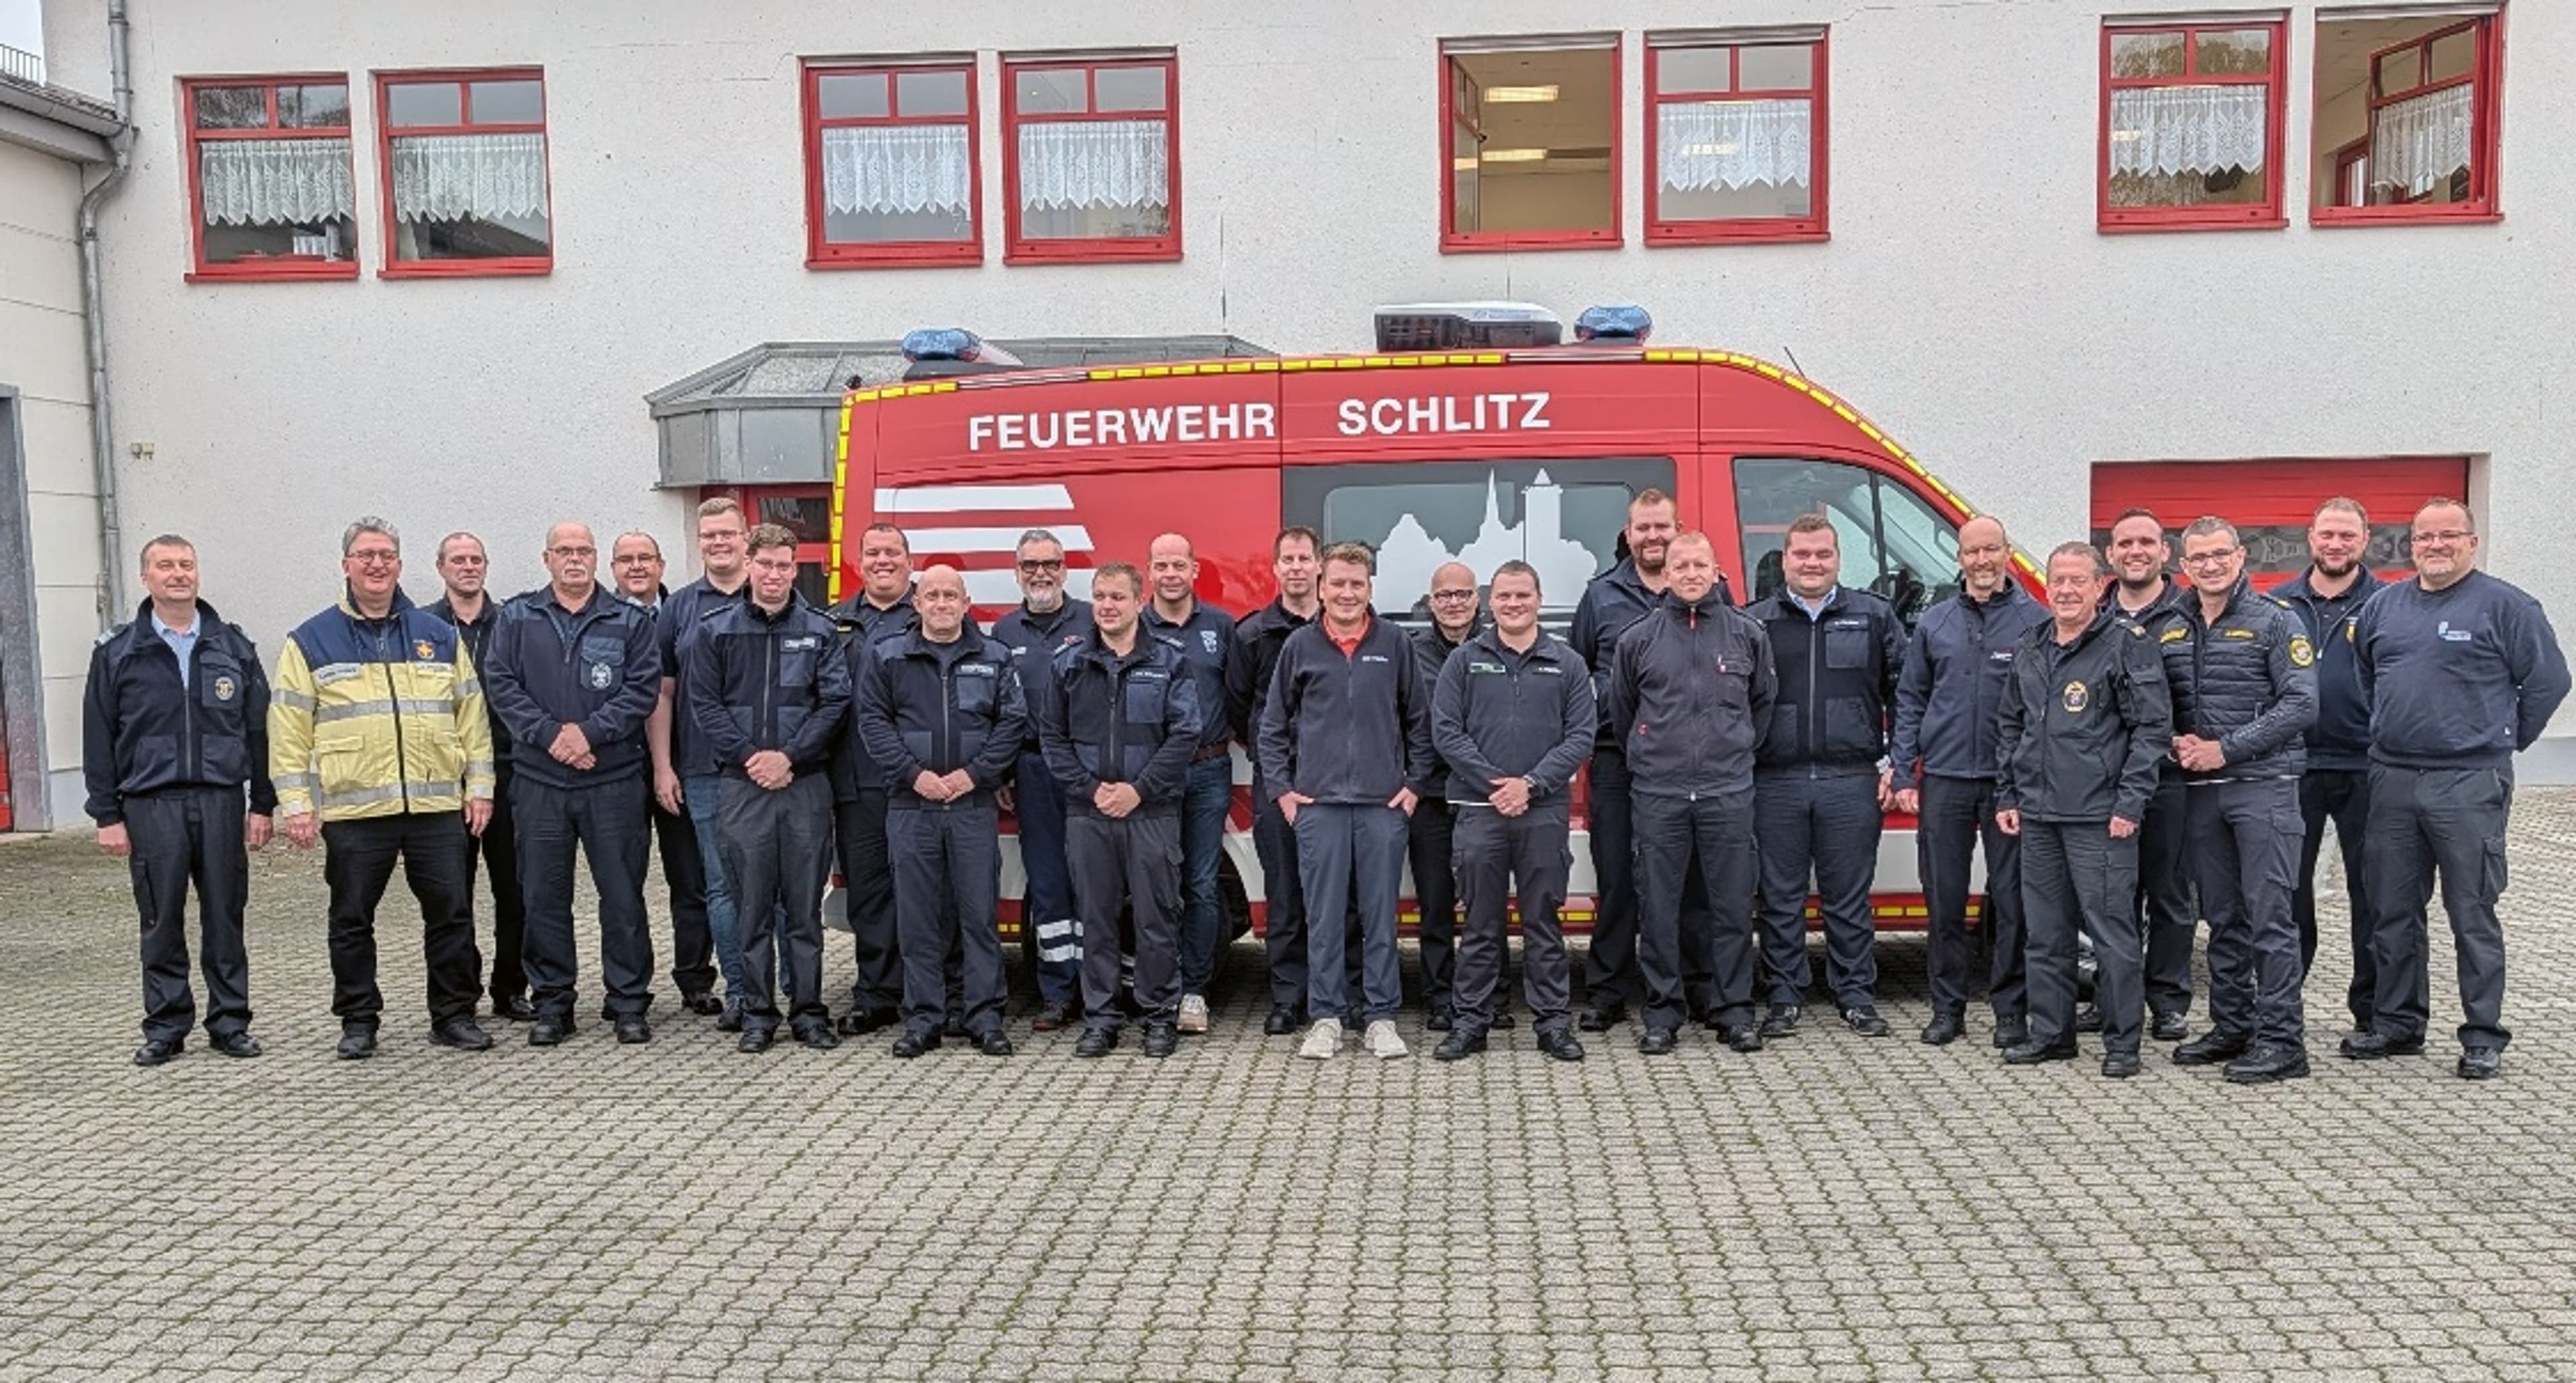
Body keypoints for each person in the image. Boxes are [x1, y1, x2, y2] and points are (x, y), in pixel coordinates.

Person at [2348, 499, 2569, 1080]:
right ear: (2411, 545)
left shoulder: (2509, 607)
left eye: (2449, 535)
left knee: (2471, 912)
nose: (2436, 545)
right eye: (2425, 537)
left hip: (2469, 782)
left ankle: (2482, 1034)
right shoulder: (2383, 607)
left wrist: (2500, 739)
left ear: (2472, 542)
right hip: (2393, 779)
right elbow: (2369, 678)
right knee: (2392, 910)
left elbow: (2549, 682)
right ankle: (2398, 1024)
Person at [270, 516, 494, 1060]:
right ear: (346, 564)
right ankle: (358, 1020)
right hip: (355, 811)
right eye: (366, 555)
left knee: (452, 915)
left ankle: (453, 1015)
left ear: (400, 564)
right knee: (351, 920)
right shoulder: (311, 640)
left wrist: (481, 787)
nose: (377, 565)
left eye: (387, 555)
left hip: (435, 804)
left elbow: (472, 717)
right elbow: (288, 728)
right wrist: (296, 804)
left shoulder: (436, 634)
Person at [85, 535, 276, 1065]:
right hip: (151, 804)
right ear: (145, 577)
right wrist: (106, 814)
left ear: (198, 573)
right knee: (160, 919)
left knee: (225, 917)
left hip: (220, 801)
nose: (178, 574)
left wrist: (263, 803)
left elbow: (259, 731)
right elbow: (98, 735)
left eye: (186, 564)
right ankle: (166, 1027)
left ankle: (230, 1023)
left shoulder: (233, 647)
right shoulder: (118, 652)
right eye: (165, 565)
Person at [482, 522, 664, 1047]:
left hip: (613, 781)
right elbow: (501, 685)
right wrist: (551, 736)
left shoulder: (628, 619)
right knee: (543, 896)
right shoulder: (517, 618)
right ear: (548, 559)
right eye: (564, 550)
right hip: (540, 782)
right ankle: (553, 1002)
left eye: (584, 550)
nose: (575, 558)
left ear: (596, 558)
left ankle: (628, 1002)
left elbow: (641, 689)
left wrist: (588, 734)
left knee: (622, 896)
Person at [1993, 542, 2171, 1078]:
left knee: (2112, 935)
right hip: (2039, 814)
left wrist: (2131, 803)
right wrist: (2008, 793)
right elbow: (2012, 725)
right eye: (2058, 581)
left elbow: (2151, 730)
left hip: (2101, 816)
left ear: (2099, 586)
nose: (2066, 591)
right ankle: (2052, 1035)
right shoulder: (2032, 645)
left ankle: (2123, 1044)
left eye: (2078, 581)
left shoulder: (2126, 645)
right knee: (2046, 934)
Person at [1258, 541, 1434, 1060]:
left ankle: (1381, 1018)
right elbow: (1272, 726)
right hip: (1319, 808)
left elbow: (1420, 722)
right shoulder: (1300, 647)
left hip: (1383, 807)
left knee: (1381, 919)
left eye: (1357, 584)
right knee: (1324, 920)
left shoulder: (1395, 644)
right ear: (1321, 587)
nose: (1347, 593)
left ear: (1370, 587)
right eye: (1338, 583)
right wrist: (1284, 793)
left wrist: (1413, 787)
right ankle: (1327, 1018)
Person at [2161, 516, 2318, 1084]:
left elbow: (2301, 704)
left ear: (2240, 556)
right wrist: (2173, 741)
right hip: (2203, 794)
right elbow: (2158, 704)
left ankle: (2283, 1042)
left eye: (2219, 554)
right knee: (2223, 917)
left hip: (2264, 787)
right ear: (2184, 566)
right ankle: (2233, 1025)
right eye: (2198, 557)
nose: (2210, 565)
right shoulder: (2171, 627)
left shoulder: (2277, 620)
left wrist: (2224, 749)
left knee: (2270, 918)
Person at [1607, 530, 1774, 1056]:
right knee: (1659, 909)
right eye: (1680, 566)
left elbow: (1762, 706)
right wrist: (1654, 755)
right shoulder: (1638, 639)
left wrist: (1733, 750)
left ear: (1716, 569)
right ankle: (1662, 1013)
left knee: (1732, 908)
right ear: (1666, 574)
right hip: (1660, 791)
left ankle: (1734, 1011)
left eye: (1700, 565)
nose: (1691, 574)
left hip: (1728, 789)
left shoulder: (1747, 634)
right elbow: (1623, 712)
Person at [687, 524, 851, 1052]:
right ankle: (759, 1014)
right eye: (766, 565)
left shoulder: (820, 630)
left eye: (784, 565)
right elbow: (705, 704)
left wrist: (789, 756)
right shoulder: (716, 630)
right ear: (749, 565)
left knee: (803, 910)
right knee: (752, 908)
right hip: (743, 786)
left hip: (804, 785)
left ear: (794, 568)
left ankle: (808, 1012)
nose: (774, 575)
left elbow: (834, 702)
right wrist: (751, 757)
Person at [1570, 488, 1727, 1032]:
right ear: (1628, 533)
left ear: (1677, 529)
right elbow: (1582, 677)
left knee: (1692, 880)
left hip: (1691, 763)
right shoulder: (1601, 597)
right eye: (1644, 528)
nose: (1653, 537)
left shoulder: (1713, 592)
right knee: (1618, 878)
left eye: (1662, 527)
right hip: (1617, 761)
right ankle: (1609, 990)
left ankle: (1699, 987)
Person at [1743, 514, 1907, 1040]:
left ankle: (1856, 996)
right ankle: (1784, 997)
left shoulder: (1873, 616)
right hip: (1776, 779)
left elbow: (1904, 693)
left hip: (1850, 778)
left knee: (1848, 897)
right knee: (1779, 898)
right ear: (1784, 560)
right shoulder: (1755, 622)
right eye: (1802, 554)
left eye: (1823, 554)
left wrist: (1898, 761)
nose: (1812, 564)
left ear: (1838, 559)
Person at [855, 564, 1026, 1058]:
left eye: (951, 595)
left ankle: (984, 1017)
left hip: (972, 805)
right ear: (918, 603)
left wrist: (975, 775)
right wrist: (915, 776)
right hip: (912, 806)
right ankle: (923, 1018)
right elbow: (873, 722)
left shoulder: (993, 657)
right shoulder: (887, 656)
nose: (942, 603)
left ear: (966, 603)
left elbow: (1011, 724)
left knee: (978, 916)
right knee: (918, 918)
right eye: (932, 595)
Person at [1890, 515, 2047, 1048]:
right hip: (1945, 780)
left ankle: (2010, 1012)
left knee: (2012, 902)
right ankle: (1947, 1009)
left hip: (2009, 786)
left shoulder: (2035, 621)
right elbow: (1911, 699)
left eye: (1991, 550)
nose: (1982, 560)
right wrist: (1904, 768)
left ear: (2007, 553)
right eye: (1972, 552)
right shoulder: (1934, 623)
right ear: (1959, 558)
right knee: (1944, 901)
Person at [1428, 560, 1594, 1062]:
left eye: (1523, 595)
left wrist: (1531, 784)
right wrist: (1495, 784)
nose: (1514, 604)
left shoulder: (1568, 664)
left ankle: (1553, 1024)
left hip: (1543, 811)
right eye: (1504, 596)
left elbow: (1581, 736)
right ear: (1490, 601)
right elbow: (1446, 731)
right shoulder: (1464, 662)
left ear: (1539, 600)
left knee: (1543, 922)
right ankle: (1470, 1023)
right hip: (1480, 810)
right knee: (1480, 924)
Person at [1034, 563, 1200, 1059]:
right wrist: (1091, 789)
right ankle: (1101, 1019)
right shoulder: (1069, 664)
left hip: (1152, 813)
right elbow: (1052, 738)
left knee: (1156, 920)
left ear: (1138, 601)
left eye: (1118, 597)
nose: (1108, 606)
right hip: (1089, 814)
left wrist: (1139, 790)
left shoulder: (1170, 660)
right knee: (1096, 920)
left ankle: (1159, 1016)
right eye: (1101, 597)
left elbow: (1185, 734)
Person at [2273, 498, 2394, 1034]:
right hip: (2293, 766)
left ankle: (2372, 1015)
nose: (2336, 544)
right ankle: (2279, 1012)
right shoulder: (2278, 606)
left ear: (2365, 540)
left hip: (2367, 766)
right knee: (2287, 892)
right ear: (2311, 538)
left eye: (2347, 535)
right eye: (2328, 534)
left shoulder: (2389, 605)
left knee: (2372, 894)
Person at [649, 498, 753, 1028]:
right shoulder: (680, 608)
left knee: (777, 887)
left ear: (745, 538)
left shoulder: (774, 595)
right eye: (708, 535)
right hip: (704, 768)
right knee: (721, 885)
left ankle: (785, 989)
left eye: (727, 533)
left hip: (768, 771)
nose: (717, 542)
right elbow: (662, 693)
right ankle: (740, 990)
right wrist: (663, 766)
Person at [2096, 508, 2196, 1041]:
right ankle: (2114, 999)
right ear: (2110, 555)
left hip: (2169, 779)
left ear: (2164, 552)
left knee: (2169, 894)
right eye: (2125, 544)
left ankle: (2168, 1001)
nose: (2136, 551)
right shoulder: (2093, 615)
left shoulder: (2190, 615)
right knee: (2112, 897)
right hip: (2106, 780)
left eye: (2146, 543)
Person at [609, 529, 718, 1015]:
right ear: (613, 568)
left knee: (691, 881)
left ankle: (695, 980)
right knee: (622, 884)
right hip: (615, 770)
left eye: (646, 558)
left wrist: (667, 767)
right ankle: (627, 988)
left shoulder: (682, 614)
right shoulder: (598, 620)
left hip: (678, 766)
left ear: (661, 565)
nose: (637, 567)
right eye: (626, 559)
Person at [427, 532, 533, 1023]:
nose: (468, 567)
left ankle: (511, 988)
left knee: (516, 890)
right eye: (458, 560)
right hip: (448, 779)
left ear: (486, 566)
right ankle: (460, 994)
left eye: (476, 559)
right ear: (441, 567)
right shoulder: (424, 628)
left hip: (510, 773)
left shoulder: (514, 622)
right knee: (453, 895)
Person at [991, 529, 1093, 1029]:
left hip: (1087, 769)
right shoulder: (1004, 632)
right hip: (1033, 771)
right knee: (1049, 884)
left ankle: (1097, 991)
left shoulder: (1092, 620)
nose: (1041, 573)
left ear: (1065, 569)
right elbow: (996, 709)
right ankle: (1058, 993)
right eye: (1030, 565)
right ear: (1017, 573)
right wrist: (1001, 772)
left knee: (1094, 882)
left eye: (1050, 563)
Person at [1229, 526, 1326, 1036]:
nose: (1296, 567)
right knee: (1285, 893)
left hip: (1337, 780)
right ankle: (1289, 998)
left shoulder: (1345, 626)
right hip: (1278, 781)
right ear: (1275, 568)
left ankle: (1338, 993)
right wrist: (1272, 760)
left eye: (1304, 558)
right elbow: (1238, 706)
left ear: (1319, 565)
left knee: (1338, 893)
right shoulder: (1252, 635)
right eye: (1287, 559)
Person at [826, 521, 920, 1036]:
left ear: (909, 561)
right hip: (857, 780)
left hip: (919, 782)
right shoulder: (835, 623)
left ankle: (931, 994)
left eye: (893, 552)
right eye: (873, 553)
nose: (883, 561)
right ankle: (877, 994)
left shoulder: (931, 614)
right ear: (859, 563)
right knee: (869, 892)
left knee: (926, 889)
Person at [1143, 531, 1236, 1034]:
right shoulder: (1135, 627)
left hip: (1208, 770)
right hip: (1153, 774)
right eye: (1161, 565)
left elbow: (1238, 694)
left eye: (1179, 564)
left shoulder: (1220, 627)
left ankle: (1195, 992)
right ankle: (1159, 987)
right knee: (1156, 883)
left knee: (1201, 884)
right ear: (1150, 572)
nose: (1170, 574)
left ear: (1195, 570)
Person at [1409, 560, 1484, 1031]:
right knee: (1435, 903)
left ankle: (1489, 995)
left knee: (1484, 905)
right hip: (1433, 796)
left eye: (1462, 594)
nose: (1453, 603)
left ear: (1477, 599)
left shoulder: (1496, 648)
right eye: (1444, 596)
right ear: (1430, 602)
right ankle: (1439, 996)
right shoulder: (1411, 654)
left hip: (1482, 796)